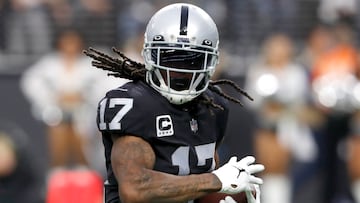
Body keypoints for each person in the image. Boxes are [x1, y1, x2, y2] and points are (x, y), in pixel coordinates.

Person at [84, 3, 264, 203]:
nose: (180, 71)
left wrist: (228, 192)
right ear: (149, 56)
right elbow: (134, 189)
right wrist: (215, 181)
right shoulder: (134, 104)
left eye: (193, 61)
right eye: (170, 58)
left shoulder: (214, 105)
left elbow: (202, 185)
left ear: (212, 63)